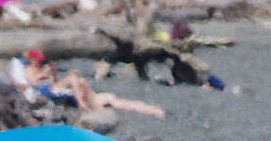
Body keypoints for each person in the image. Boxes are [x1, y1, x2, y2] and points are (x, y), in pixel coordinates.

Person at [14, 49, 165, 118]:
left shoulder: (39, 68)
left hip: (55, 90)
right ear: (32, 59)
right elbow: (32, 83)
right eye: (38, 60)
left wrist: (49, 74)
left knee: (106, 97)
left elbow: (53, 83)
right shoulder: (28, 69)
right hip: (49, 90)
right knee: (78, 80)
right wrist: (43, 75)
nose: (39, 62)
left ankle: (148, 108)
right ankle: (148, 109)